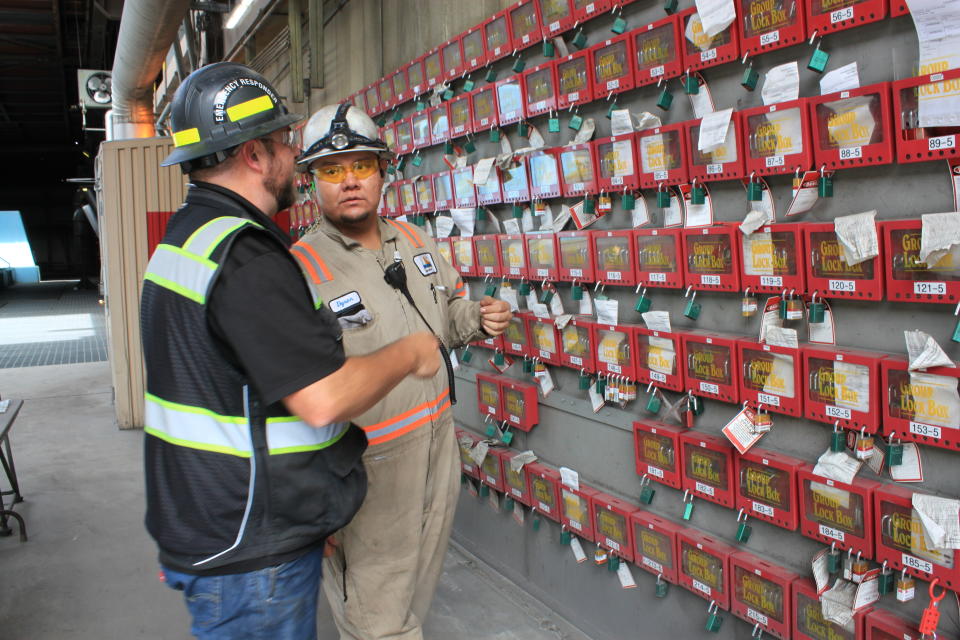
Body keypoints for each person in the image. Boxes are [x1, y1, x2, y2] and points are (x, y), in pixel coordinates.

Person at [141, 63, 441, 640]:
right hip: (250, 551)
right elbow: (324, 400)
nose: (290, 162)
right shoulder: (248, 257)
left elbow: (232, 388)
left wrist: (312, 506)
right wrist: (410, 353)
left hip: (208, 521)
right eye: (282, 144)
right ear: (255, 155)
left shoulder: (187, 238)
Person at [290, 102, 511, 640]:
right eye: (331, 170)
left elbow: (445, 318)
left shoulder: (416, 242)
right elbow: (295, 395)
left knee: (413, 594)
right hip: (365, 468)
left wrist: (478, 319)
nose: (349, 182)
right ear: (310, 184)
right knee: (375, 618)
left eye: (361, 166)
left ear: (384, 173)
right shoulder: (300, 269)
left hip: (438, 447)